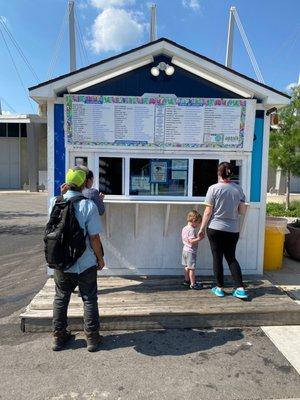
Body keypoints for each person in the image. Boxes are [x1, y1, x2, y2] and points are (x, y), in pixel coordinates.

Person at [50, 168, 105, 352]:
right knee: (89, 298)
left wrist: (61, 194)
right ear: (84, 184)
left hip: (61, 262)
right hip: (85, 262)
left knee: (60, 297)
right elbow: (95, 238)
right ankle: (92, 338)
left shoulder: (54, 202)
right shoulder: (89, 206)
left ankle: (58, 337)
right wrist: (100, 258)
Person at [198, 162, 248, 299]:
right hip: (233, 230)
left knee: (217, 258)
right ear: (231, 173)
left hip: (215, 228)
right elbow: (242, 211)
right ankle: (240, 288)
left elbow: (208, 212)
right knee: (231, 258)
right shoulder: (239, 189)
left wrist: (202, 228)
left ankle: (219, 288)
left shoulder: (213, 189)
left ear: (218, 173)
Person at [181, 210, 203, 290]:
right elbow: (191, 241)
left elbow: (186, 239)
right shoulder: (191, 230)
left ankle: (186, 281)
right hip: (190, 251)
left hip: (185, 250)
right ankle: (193, 284)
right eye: (198, 223)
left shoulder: (184, 228)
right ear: (194, 221)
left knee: (187, 267)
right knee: (192, 269)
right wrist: (199, 238)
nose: (198, 225)